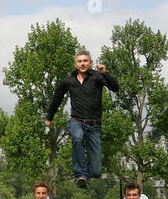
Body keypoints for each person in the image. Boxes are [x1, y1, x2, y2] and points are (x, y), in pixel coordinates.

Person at [45, 50, 119, 188]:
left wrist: (105, 73)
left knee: (96, 171)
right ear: (75, 64)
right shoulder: (68, 81)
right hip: (76, 121)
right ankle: (79, 174)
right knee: (77, 138)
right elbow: (57, 98)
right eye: (80, 61)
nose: (83, 63)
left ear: (90, 63)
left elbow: (115, 88)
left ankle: (84, 177)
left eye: (85, 61)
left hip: (95, 125)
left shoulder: (97, 77)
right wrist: (49, 117)